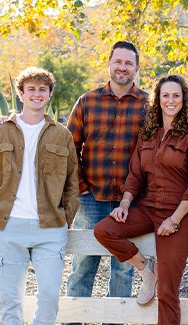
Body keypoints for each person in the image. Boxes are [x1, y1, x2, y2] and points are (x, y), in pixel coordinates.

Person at [94, 75, 188, 325]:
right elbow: (134, 175)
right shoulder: (147, 135)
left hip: (181, 214)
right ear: (158, 100)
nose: (170, 100)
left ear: (184, 100)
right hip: (147, 207)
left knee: (168, 291)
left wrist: (174, 220)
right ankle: (146, 270)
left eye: (176, 95)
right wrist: (124, 205)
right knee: (105, 230)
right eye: (165, 95)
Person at [0, 67, 79, 324]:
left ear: (49, 95)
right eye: (30, 89)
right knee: (10, 300)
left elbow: (72, 183)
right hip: (8, 225)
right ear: (20, 94)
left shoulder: (61, 135)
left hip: (50, 227)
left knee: (49, 296)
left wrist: (65, 219)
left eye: (42, 89)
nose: (36, 94)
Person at [65, 40, 149, 325]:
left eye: (129, 63)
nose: (123, 67)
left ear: (137, 68)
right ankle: (73, 320)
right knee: (83, 264)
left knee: (124, 267)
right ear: (109, 64)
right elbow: (69, 147)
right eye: (118, 61)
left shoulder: (149, 104)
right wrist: (80, 188)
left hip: (132, 200)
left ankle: (116, 320)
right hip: (91, 198)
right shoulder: (87, 101)